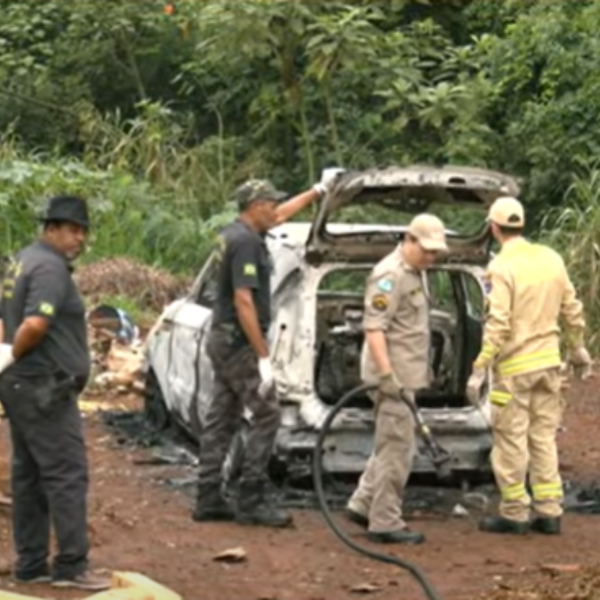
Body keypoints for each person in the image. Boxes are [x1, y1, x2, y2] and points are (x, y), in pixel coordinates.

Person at [193, 174, 337, 528]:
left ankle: (208, 495)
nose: (275, 210)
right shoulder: (246, 245)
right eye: (270, 204)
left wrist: (317, 192)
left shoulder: (235, 234)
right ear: (256, 207)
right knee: (268, 413)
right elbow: (244, 301)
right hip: (238, 342)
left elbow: (281, 216)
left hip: (223, 339)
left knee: (223, 416)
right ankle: (251, 497)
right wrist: (262, 357)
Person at [0, 195, 109, 590]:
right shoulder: (49, 269)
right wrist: (12, 351)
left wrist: (6, 358)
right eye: (72, 229)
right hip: (43, 386)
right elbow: (34, 323)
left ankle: (29, 563)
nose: (79, 237)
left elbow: (4, 316)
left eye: (83, 230)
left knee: (28, 473)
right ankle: (71, 566)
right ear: (51, 229)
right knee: (66, 473)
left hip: (20, 383)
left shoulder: (22, 259)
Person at [466, 196, 592, 535]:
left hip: (514, 371)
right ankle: (549, 511)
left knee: (511, 440)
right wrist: (578, 348)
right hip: (550, 366)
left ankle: (514, 513)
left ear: (493, 228)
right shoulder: (551, 258)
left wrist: (480, 367)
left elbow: (498, 323)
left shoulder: (501, 267)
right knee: (543, 438)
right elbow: (571, 307)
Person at [345, 214, 448, 544]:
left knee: (389, 441)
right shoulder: (389, 275)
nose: (431, 257)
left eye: (435, 252)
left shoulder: (416, 272)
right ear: (409, 239)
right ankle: (385, 520)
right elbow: (374, 328)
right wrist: (386, 376)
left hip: (406, 376)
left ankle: (362, 503)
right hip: (392, 377)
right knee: (398, 449)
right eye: (426, 250)